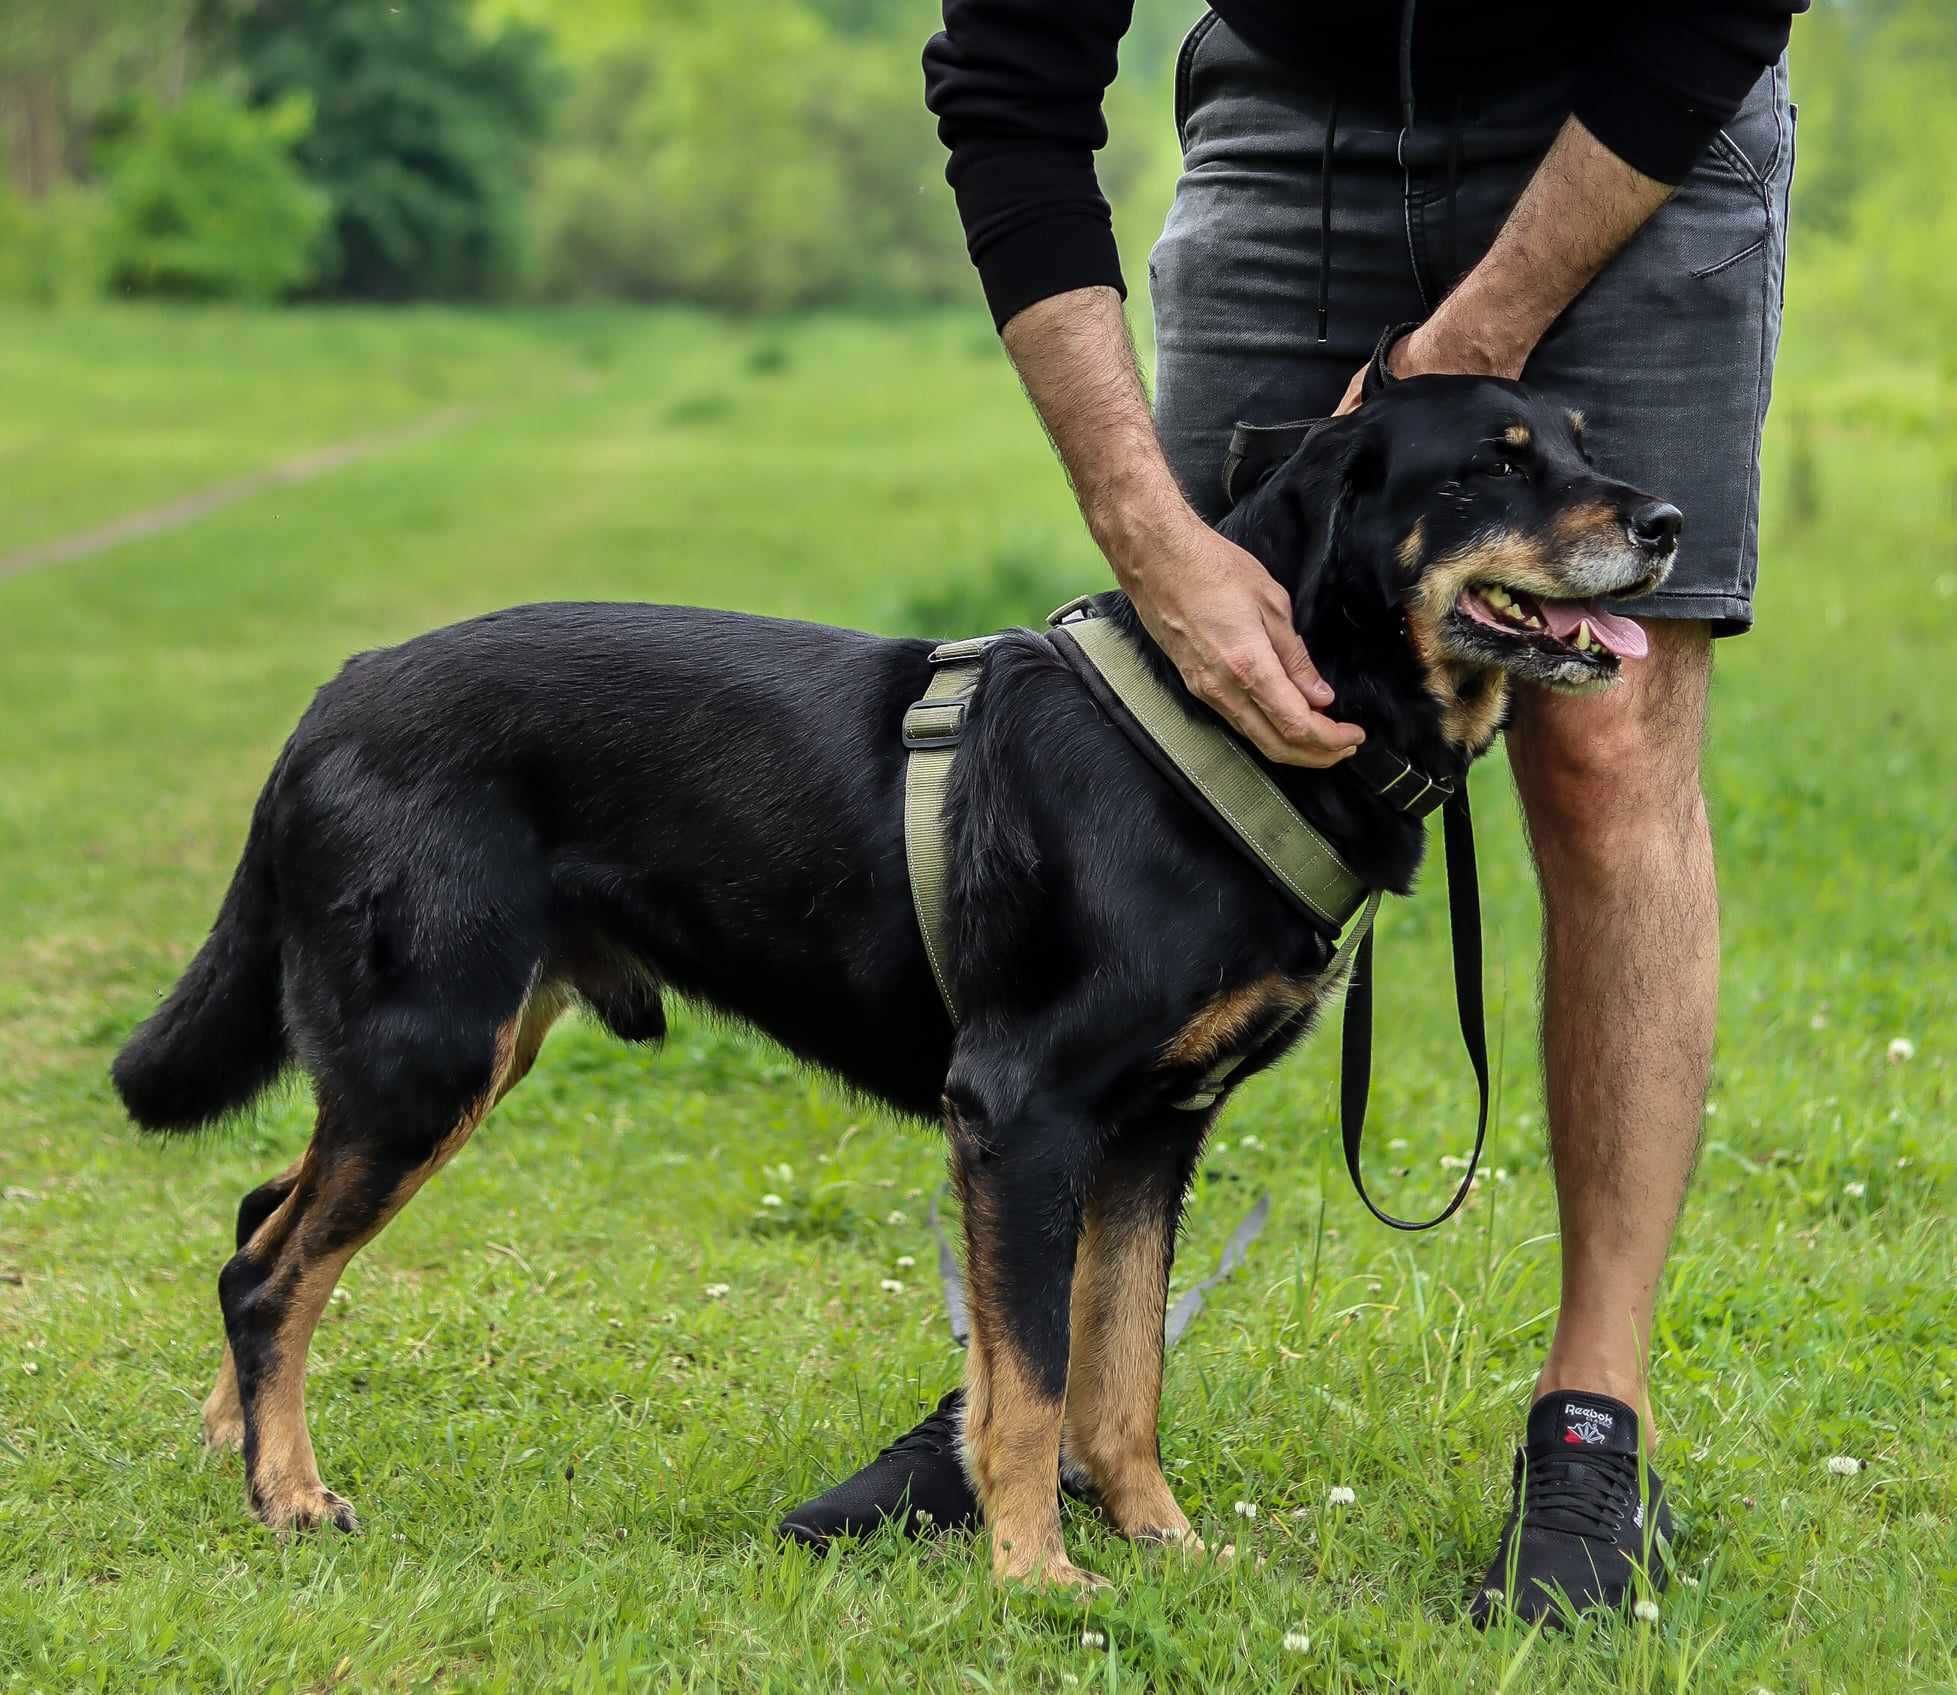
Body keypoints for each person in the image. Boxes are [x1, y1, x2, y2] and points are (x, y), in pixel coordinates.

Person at [779, 0, 1802, 1626]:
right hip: (1286, 125)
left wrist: (1467, 351)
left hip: (1629, 110)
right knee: (1181, 731)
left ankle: (1590, 1423)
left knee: (1607, 758)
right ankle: (1022, 1404)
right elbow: (1008, 77)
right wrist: (1145, 529)